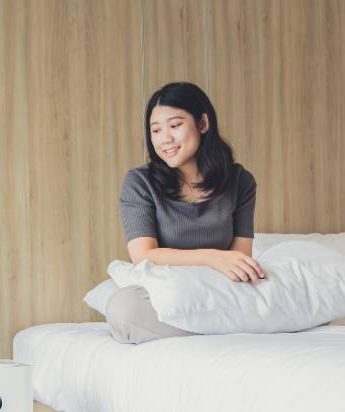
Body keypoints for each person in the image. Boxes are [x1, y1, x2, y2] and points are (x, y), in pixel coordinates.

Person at [107, 81, 266, 344]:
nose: (164, 139)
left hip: (217, 291)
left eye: (175, 125)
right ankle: (218, 329)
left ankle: (214, 326)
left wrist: (222, 264)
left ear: (203, 124)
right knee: (125, 310)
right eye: (155, 130)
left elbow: (239, 258)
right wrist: (212, 258)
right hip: (169, 292)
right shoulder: (139, 182)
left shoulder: (240, 181)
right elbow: (143, 255)